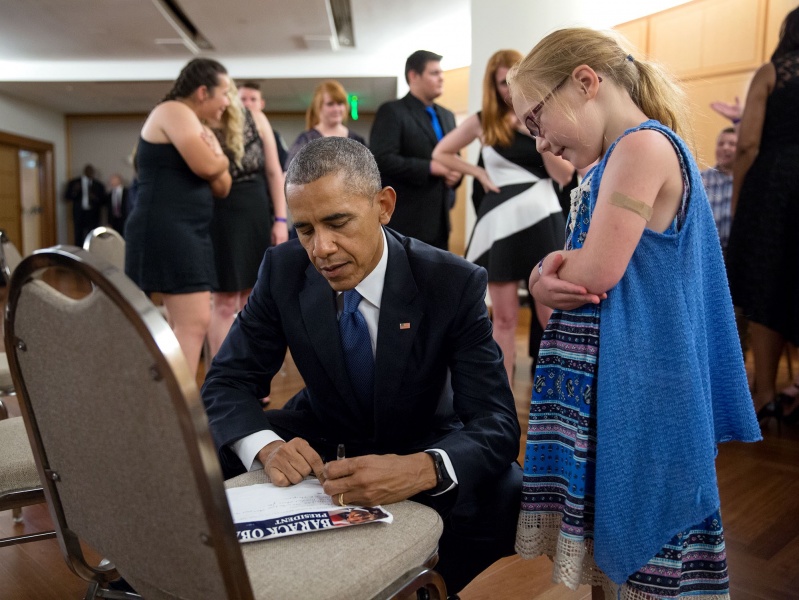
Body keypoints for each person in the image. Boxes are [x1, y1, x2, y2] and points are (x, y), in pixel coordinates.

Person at [202, 137, 522, 596]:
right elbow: (228, 380)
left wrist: (419, 469)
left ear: (384, 206)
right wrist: (268, 449)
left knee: (505, 487)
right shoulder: (282, 269)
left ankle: (430, 587)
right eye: (305, 229)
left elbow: (496, 422)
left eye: (338, 222)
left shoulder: (451, 282)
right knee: (212, 448)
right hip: (326, 431)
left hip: (422, 435)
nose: (321, 248)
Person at [507, 28, 761, 599]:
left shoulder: (642, 148)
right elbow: (574, 284)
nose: (541, 142)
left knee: (648, 562)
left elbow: (596, 273)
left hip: (643, 394)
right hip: (613, 394)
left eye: (536, 119)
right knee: (608, 559)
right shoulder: (608, 162)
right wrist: (546, 283)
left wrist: (543, 274)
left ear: (585, 82)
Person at [432, 49, 574, 383]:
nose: (509, 88)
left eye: (514, 78)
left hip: (541, 215)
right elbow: (440, 152)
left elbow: (565, 177)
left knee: (550, 315)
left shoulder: (546, 118)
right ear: (492, 86)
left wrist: (532, 129)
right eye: (501, 82)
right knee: (504, 318)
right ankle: (502, 403)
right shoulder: (484, 121)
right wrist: (478, 174)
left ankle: (562, 391)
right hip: (499, 221)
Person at [125, 57, 232, 378]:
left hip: (187, 230)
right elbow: (209, 169)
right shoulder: (174, 111)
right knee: (195, 320)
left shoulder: (197, 125)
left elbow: (223, 187)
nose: (227, 102)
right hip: (168, 229)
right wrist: (219, 156)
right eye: (224, 93)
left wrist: (216, 158)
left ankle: (165, 410)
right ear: (202, 92)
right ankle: (177, 416)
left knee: (182, 323)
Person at [726, 7, 799, 427]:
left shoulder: (773, 72)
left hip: (777, 188)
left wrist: (740, 204)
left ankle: (766, 393)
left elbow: (747, 145)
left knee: (767, 285)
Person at [207, 80, 289, 360]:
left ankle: (249, 374)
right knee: (225, 299)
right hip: (221, 215)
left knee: (252, 299)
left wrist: (280, 219)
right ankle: (221, 378)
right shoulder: (211, 121)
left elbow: (274, 172)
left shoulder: (257, 119)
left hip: (256, 215)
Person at [370, 50, 461, 250]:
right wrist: (430, 167)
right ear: (413, 76)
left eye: (441, 73)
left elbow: (456, 159)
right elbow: (381, 159)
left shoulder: (447, 116)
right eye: (434, 73)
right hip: (407, 222)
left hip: (441, 221)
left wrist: (456, 175)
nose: (442, 78)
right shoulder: (393, 111)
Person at [284, 80, 367, 169]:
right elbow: (288, 174)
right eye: (330, 104)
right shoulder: (306, 140)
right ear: (318, 107)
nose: (336, 109)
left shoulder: (357, 140)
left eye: (340, 103)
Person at [700, 127, 737, 252]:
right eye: (721, 144)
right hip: (709, 251)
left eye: (732, 144)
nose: (725, 147)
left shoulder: (749, 180)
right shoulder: (701, 180)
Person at [238, 81, 290, 169]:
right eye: (243, 99)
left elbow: (285, 165)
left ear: (261, 104)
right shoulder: (227, 134)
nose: (248, 104)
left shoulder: (274, 136)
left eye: (253, 99)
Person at [64, 164, 105, 245]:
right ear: (84, 171)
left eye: (91, 171)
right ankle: (79, 253)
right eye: (88, 171)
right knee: (78, 235)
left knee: (93, 235)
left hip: (93, 214)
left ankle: (92, 252)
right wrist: (75, 191)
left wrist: (95, 198)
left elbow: (103, 201)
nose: (90, 173)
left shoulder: (98, 185)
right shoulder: (75, 182)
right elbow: (67, 197)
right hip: (79, 213)